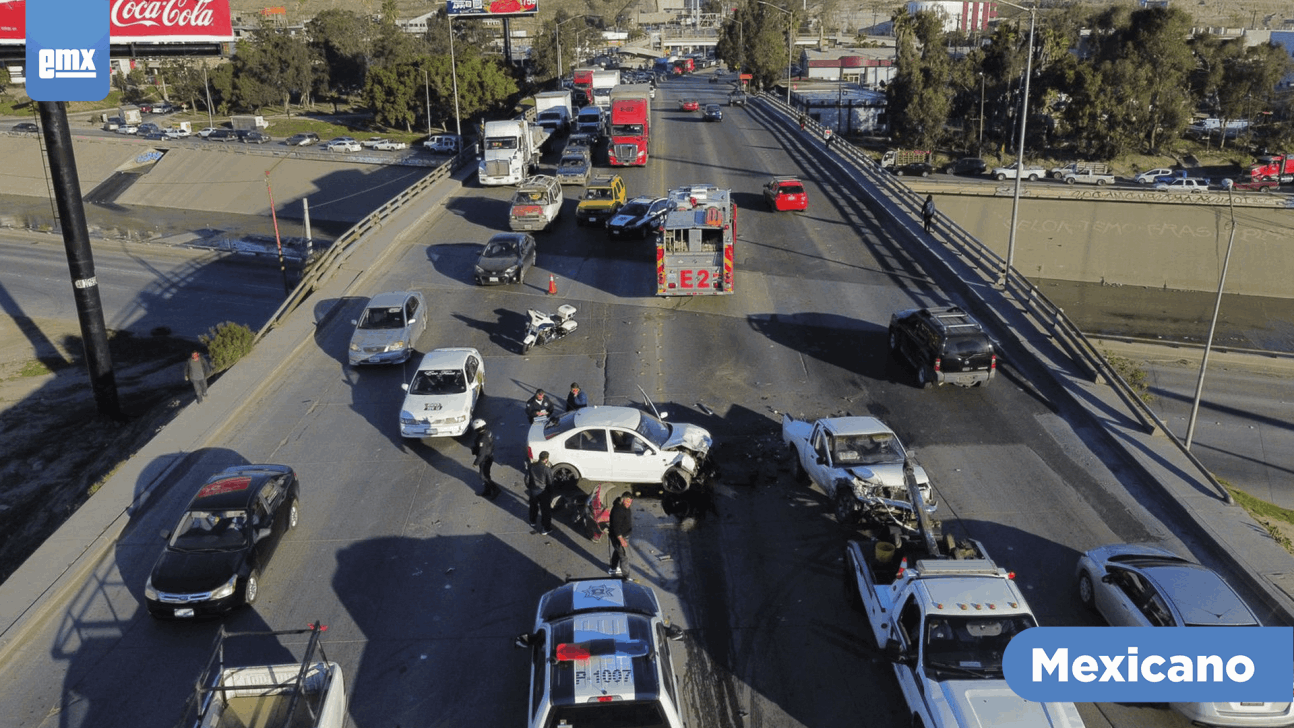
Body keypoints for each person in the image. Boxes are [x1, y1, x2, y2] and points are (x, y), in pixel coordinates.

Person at [471, 419, 500, 500]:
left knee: (483, 476)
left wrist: (476, 463)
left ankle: (496, 490)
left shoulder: (482, 439)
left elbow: (482, 453)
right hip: (489, 457)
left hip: (485, 459)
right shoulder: (488, 432)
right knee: (486, 475)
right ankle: (487, 491)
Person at [528, 451, 554, 535]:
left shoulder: (531, 466)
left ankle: (532, 521)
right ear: (546, 459)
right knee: (545, 511)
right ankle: (545, 528)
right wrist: (550, 493)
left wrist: (530, 487)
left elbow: (527, 478)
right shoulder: (546, 469)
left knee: (533, 507)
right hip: (543, 492)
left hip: (533, 491)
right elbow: (550, 482)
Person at [608, 494, 634, 577]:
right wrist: (622, 540)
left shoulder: (624, 507)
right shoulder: (618, 510)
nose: (629, 504)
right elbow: (616, 528)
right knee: (624, 557)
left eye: (630, 502)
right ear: (623, 499)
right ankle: (626, 577)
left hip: (624, 535)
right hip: (619, 537)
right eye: (627, 501)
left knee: (617, 551)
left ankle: (613, 568)